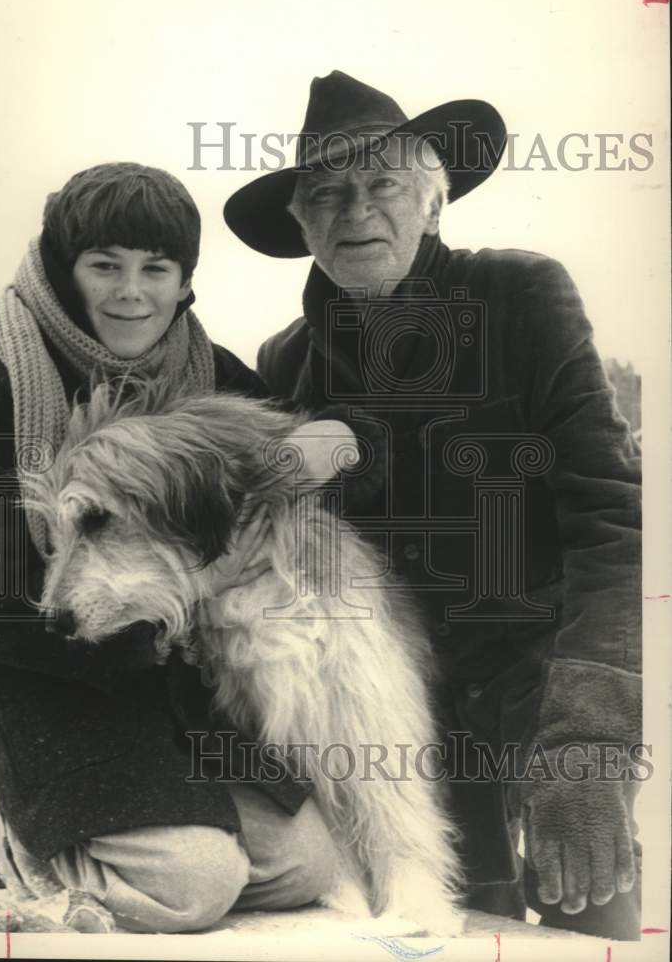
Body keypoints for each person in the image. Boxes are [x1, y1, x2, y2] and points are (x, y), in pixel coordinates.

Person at [223, 71, 642, 940]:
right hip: (403, 726)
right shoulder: (289, 364)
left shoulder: (521, 296)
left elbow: (610, 518)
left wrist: (587, 741)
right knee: (447, 933)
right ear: (301, 228)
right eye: (326, 194)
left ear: (434, 199)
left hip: (543, 689)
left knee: (594, 919)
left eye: (382, 184)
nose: (356, 211)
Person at [0, 162, 358, 933]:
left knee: (311, 864)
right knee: (195, 887)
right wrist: (178, 601)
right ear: (67, 273)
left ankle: (157, 834)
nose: (132, 293)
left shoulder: (208, 374)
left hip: (179, 697)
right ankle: (11, 830)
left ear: (183, 281)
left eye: (154, 269)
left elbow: (302, 447)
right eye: (105, 266)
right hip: (54, 685)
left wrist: (326, 445)